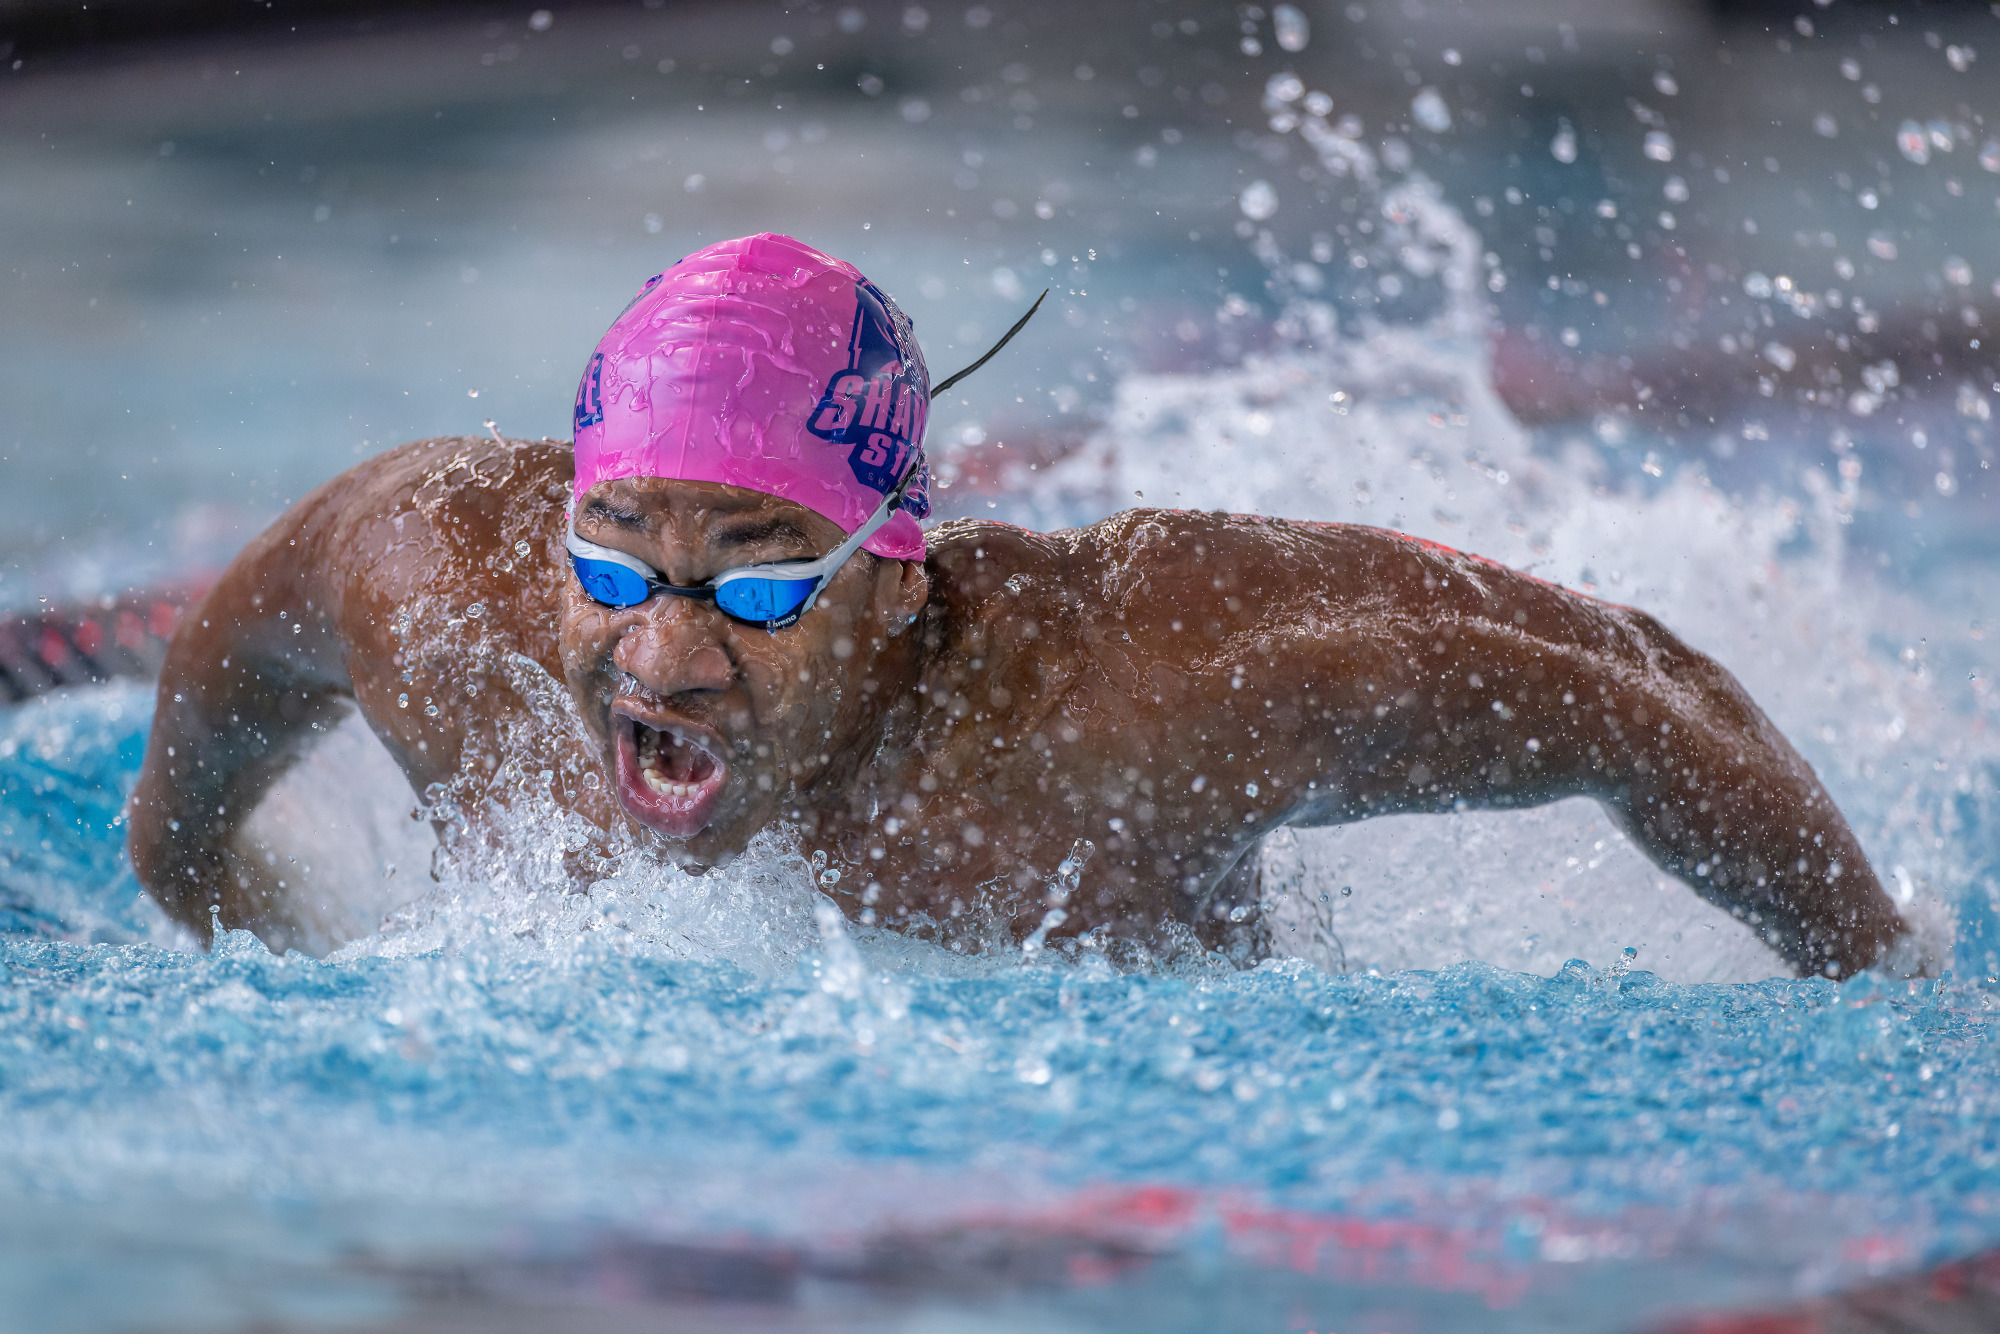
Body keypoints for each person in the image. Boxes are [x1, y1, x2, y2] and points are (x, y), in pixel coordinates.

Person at [128, 233, 1908, 975]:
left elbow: (1642, 689)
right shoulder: (434, 584)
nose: (661, 656)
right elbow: (200, 734)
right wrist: (237, 911)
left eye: (760, 577)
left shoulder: (1154, 698)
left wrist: (1884, 985)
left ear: (896, 575)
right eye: (617, 565)